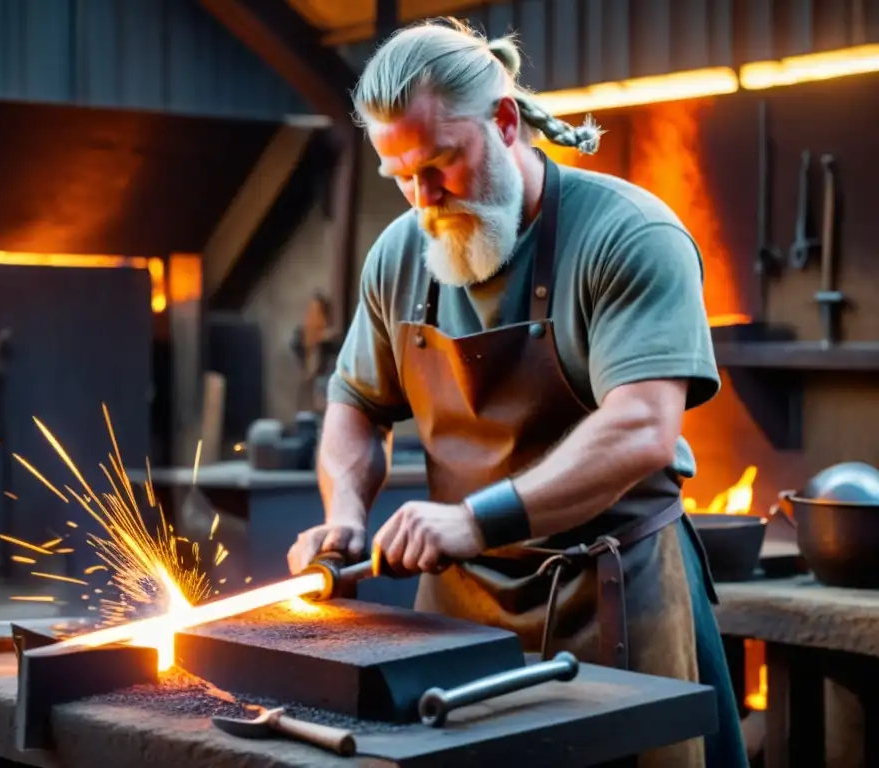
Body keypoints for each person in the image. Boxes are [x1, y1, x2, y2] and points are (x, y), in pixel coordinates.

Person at [286, 18, 747, 768]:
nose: (423, 197)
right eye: (400, 175)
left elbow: (642, 427)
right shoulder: (401, 254)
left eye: (440, 163)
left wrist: (475, 519)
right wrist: (343, 515)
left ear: (504, 121)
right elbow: (356, 408)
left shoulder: (629, 235)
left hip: (614, 594)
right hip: (460, 612)